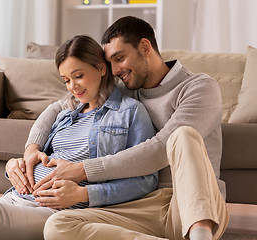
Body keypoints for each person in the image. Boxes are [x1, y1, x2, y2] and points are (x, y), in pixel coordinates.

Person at [0, 35, 158, 240]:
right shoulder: (67, 113)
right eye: (66, 80)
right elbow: (36, 155)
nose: (73, 87)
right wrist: (15, 166)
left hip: (58, 212)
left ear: (101, 68)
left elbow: (146, 180)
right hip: (17, 198)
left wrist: (83, 194)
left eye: (78, 76)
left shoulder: (130, 112)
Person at [15, 16, 230, 240]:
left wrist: (83, 170)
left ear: (145, 47)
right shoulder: (126, 88)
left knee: (182, 135)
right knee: (57, 226)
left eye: (120, 58)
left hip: (190, 204)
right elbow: (58, 107)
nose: (115, 70)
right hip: (139, 206)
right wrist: (32, 148)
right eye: (111, 63)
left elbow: (160, 150)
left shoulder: (199, 87)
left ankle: (200, 234)